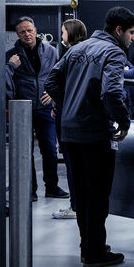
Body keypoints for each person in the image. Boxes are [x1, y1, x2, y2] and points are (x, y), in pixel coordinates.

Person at [45, 6, 134, 267]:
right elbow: (111, 93)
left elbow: (51, 82)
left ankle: (88, 246)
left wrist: (69, 105)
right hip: (95, 133)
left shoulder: (77, 49)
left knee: (83, 194)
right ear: (118, 30)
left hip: (70, 132)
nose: (133, 38)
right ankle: (95, 252)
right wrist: (123, 120)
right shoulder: (113, 52)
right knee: (98, 193)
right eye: (131, 33)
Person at [5, 16, 68, 202]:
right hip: (22, 109)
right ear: (18, 34)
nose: (27, 34)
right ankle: (29, 190)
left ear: (36, 31)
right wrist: (11, 66)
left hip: (45, 107)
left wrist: (53, 93)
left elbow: (59, 76)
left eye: (29, 30)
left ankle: (52, 187)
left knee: (49, 149)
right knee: (25, 151)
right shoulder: (11, 55)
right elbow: (5, 82)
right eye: (22, 32)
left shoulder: (50, 51)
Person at [49, 18, 87, 220]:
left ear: (70, 33)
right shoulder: (86, 54)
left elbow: (52, 83)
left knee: (73, 165)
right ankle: (78, 204)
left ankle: (76, 206)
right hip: (78, 116)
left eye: (63, 31)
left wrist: (60, 102)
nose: (62, 35)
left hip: (68, 117)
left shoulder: (71, 55)